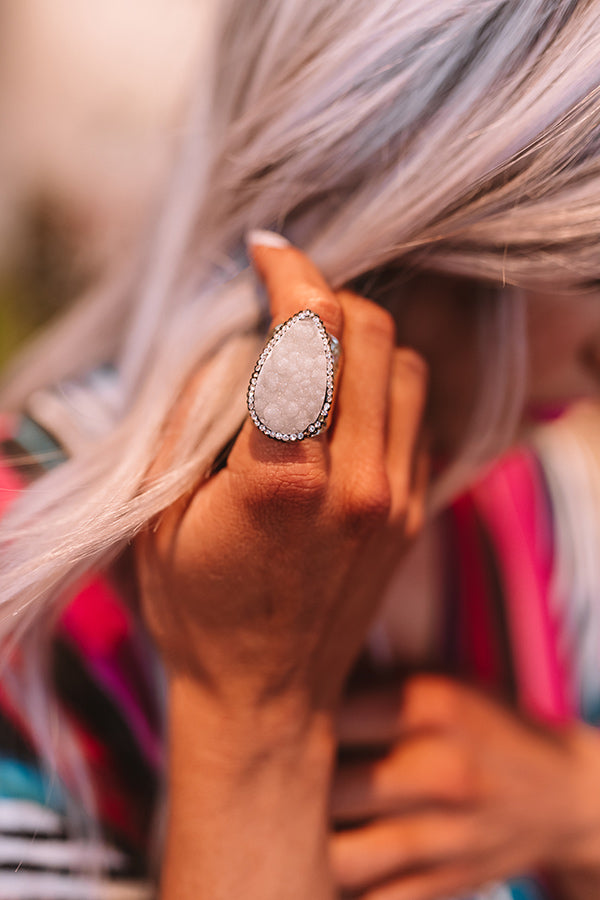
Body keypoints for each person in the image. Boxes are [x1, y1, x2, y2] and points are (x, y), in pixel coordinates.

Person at [1, 1, 600, 898]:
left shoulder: (530, 497)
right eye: (587, 265)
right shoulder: (32, 594)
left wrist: (578, 806)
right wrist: (253, 717)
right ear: (389, 193)